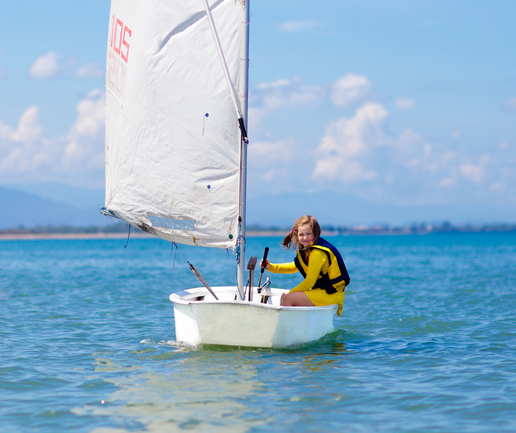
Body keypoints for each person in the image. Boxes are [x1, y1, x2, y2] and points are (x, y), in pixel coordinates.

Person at [261, 215, 350, 316]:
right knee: (289, 297)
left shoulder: (317, 253)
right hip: (326, 292)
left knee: (287, 298)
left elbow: (310, 281)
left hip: (331, 294)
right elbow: (294, 267)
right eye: (301, 234)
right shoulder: (307, 251)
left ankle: (288, 329)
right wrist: (270, 267)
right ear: (297, 235)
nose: (305, 237)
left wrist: (290, 293)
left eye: (309, 234)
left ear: (315, 233)